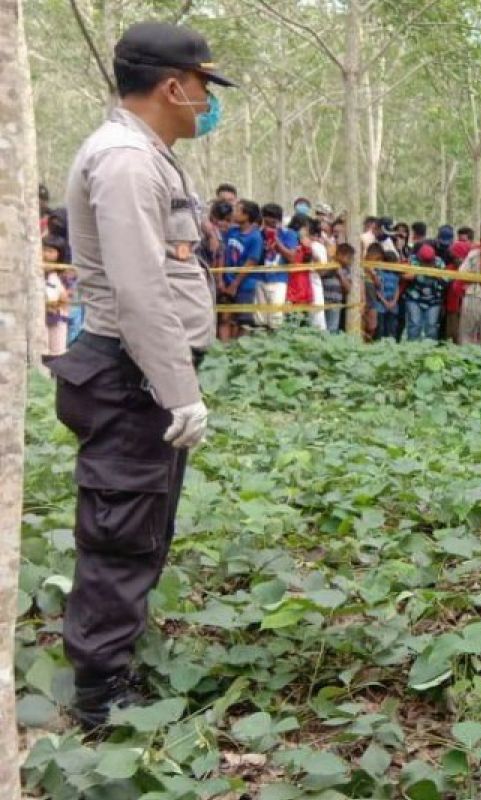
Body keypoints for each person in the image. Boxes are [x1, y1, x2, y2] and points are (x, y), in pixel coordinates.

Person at [51, 21, 232, 730]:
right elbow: (137, 290)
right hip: (132, 377)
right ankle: (100, 696)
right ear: (172, 86)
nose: (206, 103)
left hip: (143, 375)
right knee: (122, 530)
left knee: (142, 523)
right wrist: (178, 391)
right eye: (203, 88)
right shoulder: (126, 161)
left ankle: (117, 656)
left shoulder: (145, 154)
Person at [220, 199, 264, 340]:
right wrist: (222, 279)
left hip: (245, 285)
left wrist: (235, 284)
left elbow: (251, 262)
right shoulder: (231, 232)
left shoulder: (255, 237)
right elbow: (222, 252)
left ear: (246, 215)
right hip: (227, 282)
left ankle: (239, 352)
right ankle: (224, 351)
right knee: (225, 318)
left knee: (243, 322)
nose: (234, 212)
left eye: (238, 210)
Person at [258, 203, 297, 330]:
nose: (269, 225)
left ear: (278, 220)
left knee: (276, 317)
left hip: (279, 279)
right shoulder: (258, 234)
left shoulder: (289, 234)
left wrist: (275, 239)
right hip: (259, 278)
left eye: (273, 222)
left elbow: (291, 257)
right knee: (260, 319)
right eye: (266, 221)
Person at [405, 243, 446, 341]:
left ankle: (429, 351)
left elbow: (446, 280)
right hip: (414, 298)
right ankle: (412, 348)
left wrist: (437, 274)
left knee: (432, 326)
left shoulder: (439, 262)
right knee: (414, 324)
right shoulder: (412, 260)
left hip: (434, 299)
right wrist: (412, 275)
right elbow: (403, 276)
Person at [43, 237, 72, 357]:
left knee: (56, 353)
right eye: (44, 250)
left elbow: (66, 298)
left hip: (56, 317)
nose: (45, 254)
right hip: (41, 317)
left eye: (50, 251)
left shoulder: (63, 275)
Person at [322, 243, 353, 333]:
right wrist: (331, 267)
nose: (350, 261)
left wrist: (340, 274)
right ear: (340, 255)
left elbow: (348, 288)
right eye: (349, 258)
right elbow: (320, 274)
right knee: (320, 326)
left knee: (332, 329)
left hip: (336, 302)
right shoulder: (328, 262)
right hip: (323, 300)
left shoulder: (347, 269)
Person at [375, 252, 403, 340]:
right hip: (381, 304)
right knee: (381, 328)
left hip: (393, 304)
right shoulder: (379, 273)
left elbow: (397, 287)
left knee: (392, 328)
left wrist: (394, 301)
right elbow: (377, 290)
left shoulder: (396, 274)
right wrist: (385, 302)